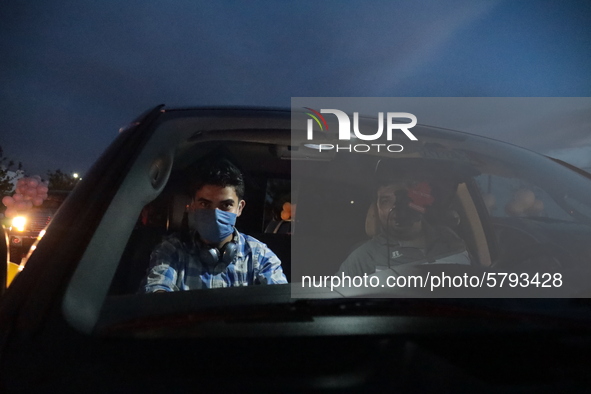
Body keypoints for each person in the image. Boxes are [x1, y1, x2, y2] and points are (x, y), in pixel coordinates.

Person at [143, 158, 287, 292]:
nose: (215, 213)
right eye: (205, 204)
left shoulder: (260, 256)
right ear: (192, 205)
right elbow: (156, 294)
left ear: (240, 208)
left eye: (226, 205)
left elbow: (281, 305)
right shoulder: (172, 250)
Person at [337, 178, 470, 277]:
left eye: (403, 198)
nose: (396, 207)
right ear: (376, 211)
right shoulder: (364, 258)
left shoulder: (452, 242)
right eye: (385, 201)